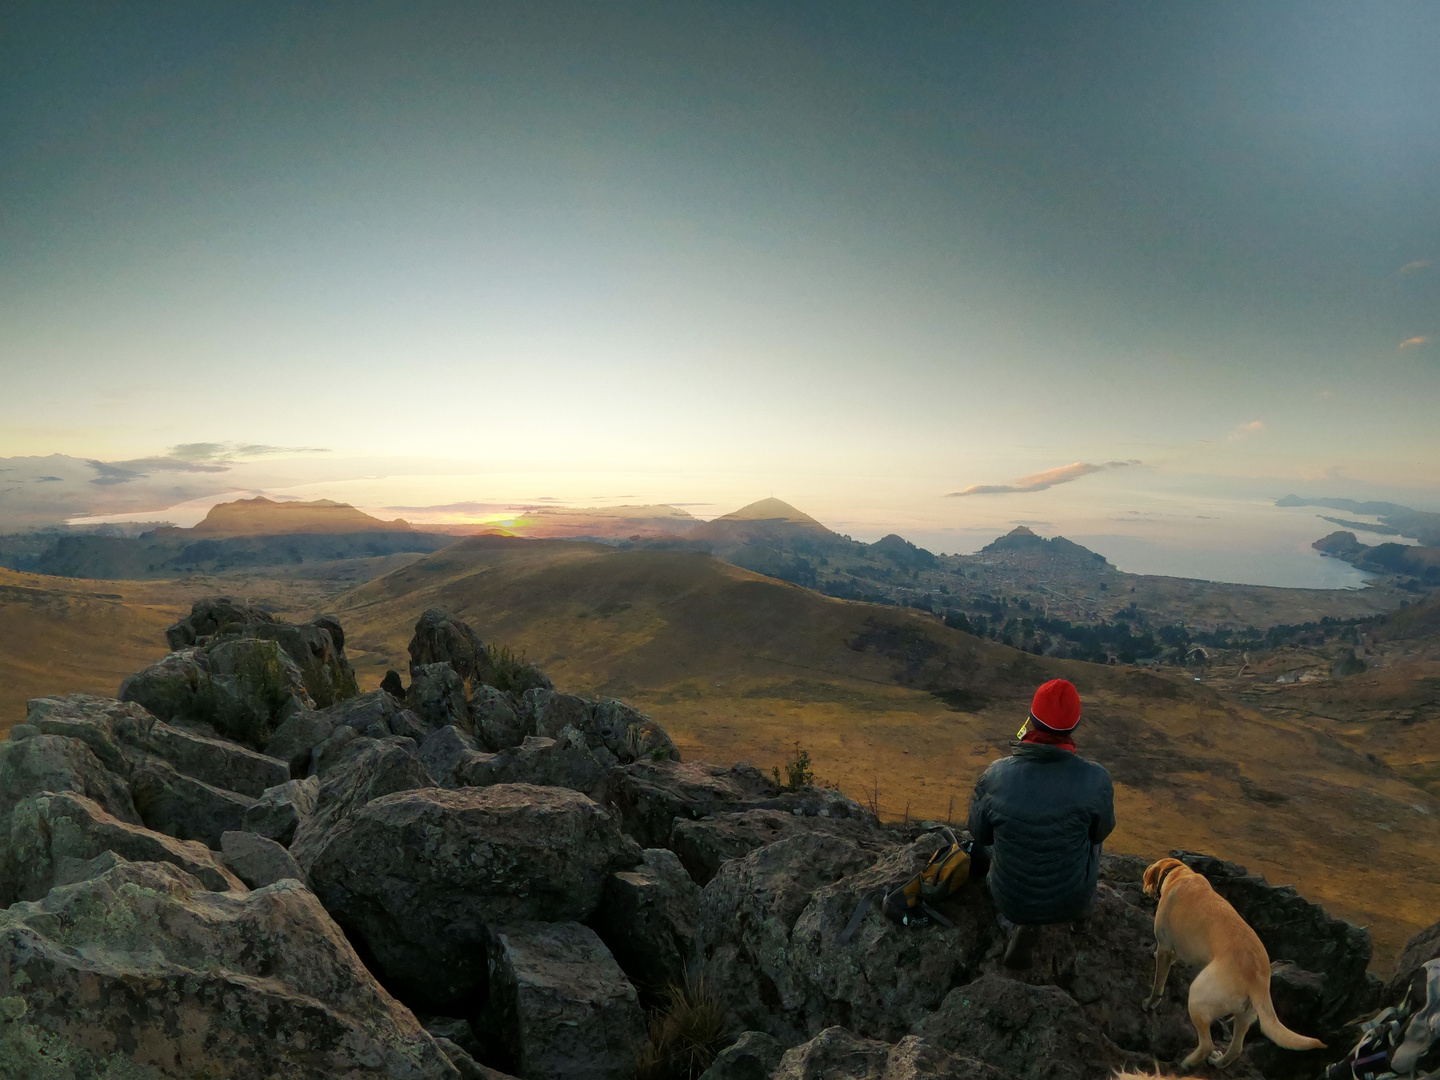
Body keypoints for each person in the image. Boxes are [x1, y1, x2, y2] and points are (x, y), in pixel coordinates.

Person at [967, 678, 1115, 968]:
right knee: (1093, 834)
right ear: (1074, 726)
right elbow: (1101, 832)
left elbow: (979, 835)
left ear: (1031, 720)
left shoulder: (996, 775)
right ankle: (1081, 917)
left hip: (1009, 899)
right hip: (1074, 901)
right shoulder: (1096, 779)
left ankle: (1022, 920)